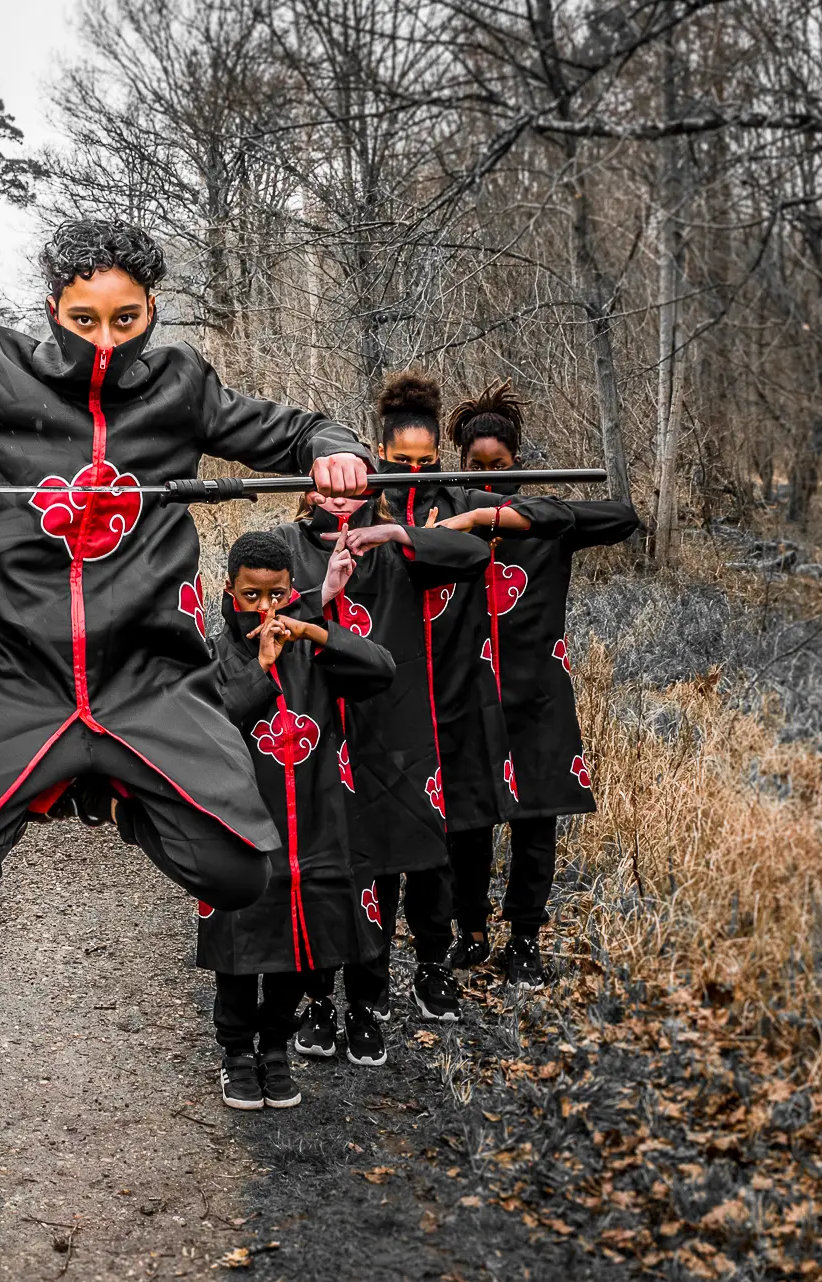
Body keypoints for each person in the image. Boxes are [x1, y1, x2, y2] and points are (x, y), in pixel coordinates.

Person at [0, 218, 373, 921]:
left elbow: (302, 432)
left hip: (149, 671)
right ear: (52, 311)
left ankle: (112, 796)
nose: (105, 341)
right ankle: (49, 780)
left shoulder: (182, 385)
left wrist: (336, 452)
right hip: (15, 667)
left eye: (125, 319)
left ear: (152, 311)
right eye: (84, 320)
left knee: (238, 876)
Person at [269, 373, 491, 1063]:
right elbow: (250, 621)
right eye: (327, 486)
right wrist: (318, 592)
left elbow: (474, 554)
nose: (340, 497)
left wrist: (397, 530)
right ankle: (316, 1003)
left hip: (390, 734)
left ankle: (367, 1005)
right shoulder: (282, 547)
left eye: (353, 487)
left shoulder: (393, 546)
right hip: (312, 737)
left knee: (386, 868)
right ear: (309, 487)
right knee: (323, 873)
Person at [443, 382, 640, 987]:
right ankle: (471, 932)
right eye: (476, 469)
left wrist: (502, 515)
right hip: (469, 696)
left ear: (519, 466)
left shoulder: (546, 520)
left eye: (499, 468)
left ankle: (524, 938)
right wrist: (465, 520)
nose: (487, 479)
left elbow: (624, 517)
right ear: (459, 466)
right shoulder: (443, 519)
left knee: (536, 822)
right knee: (469, 820)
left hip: (537, 698)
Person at [203, 531, 394, 1110]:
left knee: (297, 946)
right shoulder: (215, 653)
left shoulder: (311, 648)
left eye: (277, 595)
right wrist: (261, 669)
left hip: (313, 826)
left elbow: (381, 669)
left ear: (292, 592)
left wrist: (314, 630)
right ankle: (238, 1054)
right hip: (241, 831)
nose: (265, 608)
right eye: (251, 595)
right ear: (229, 591)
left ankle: (275, 1049)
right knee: (240, 946)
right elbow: (214, 724)